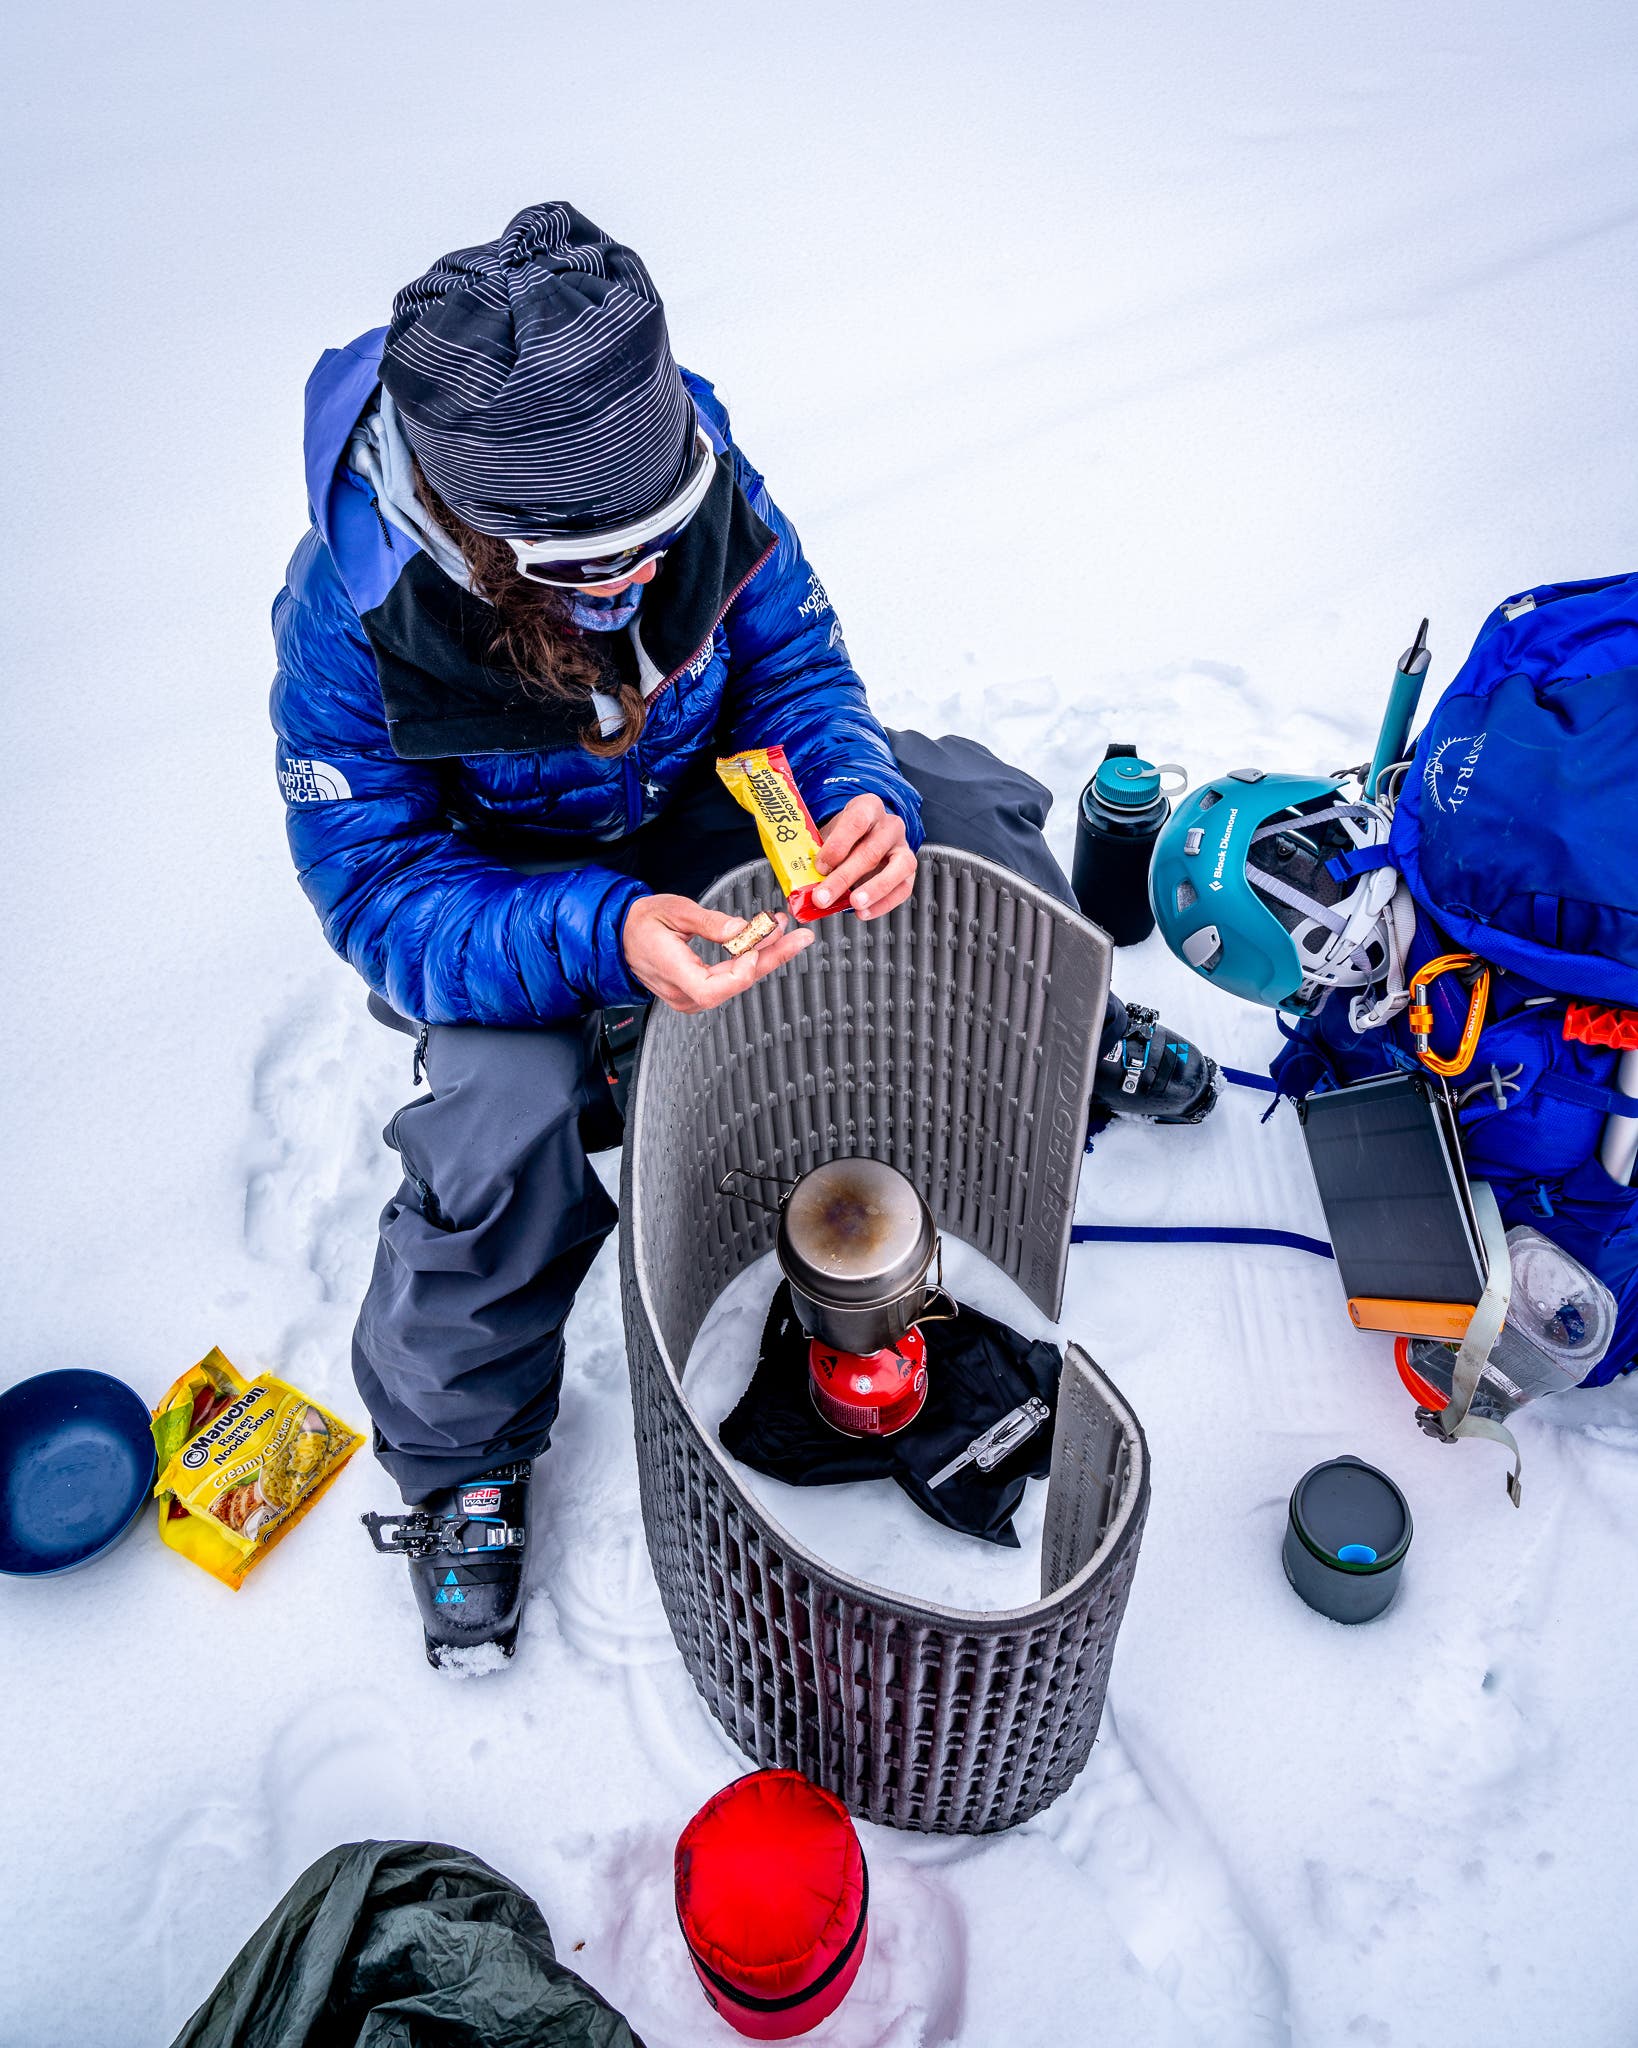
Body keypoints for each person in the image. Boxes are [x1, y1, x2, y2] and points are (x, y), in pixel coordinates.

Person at [272, 201, 1217, 1667]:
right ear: (477, 542)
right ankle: (460, 1455)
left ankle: (1065, 1043)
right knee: (498, 1123)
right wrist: (604, 928)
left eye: (657, 544)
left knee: (963, 817)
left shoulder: (694, 464)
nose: (640, 582)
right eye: (588, 568)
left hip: (715, 804)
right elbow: (375, 889)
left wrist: (854, 796)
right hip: (516, 887)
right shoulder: (358, 611)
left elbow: (799, 669)